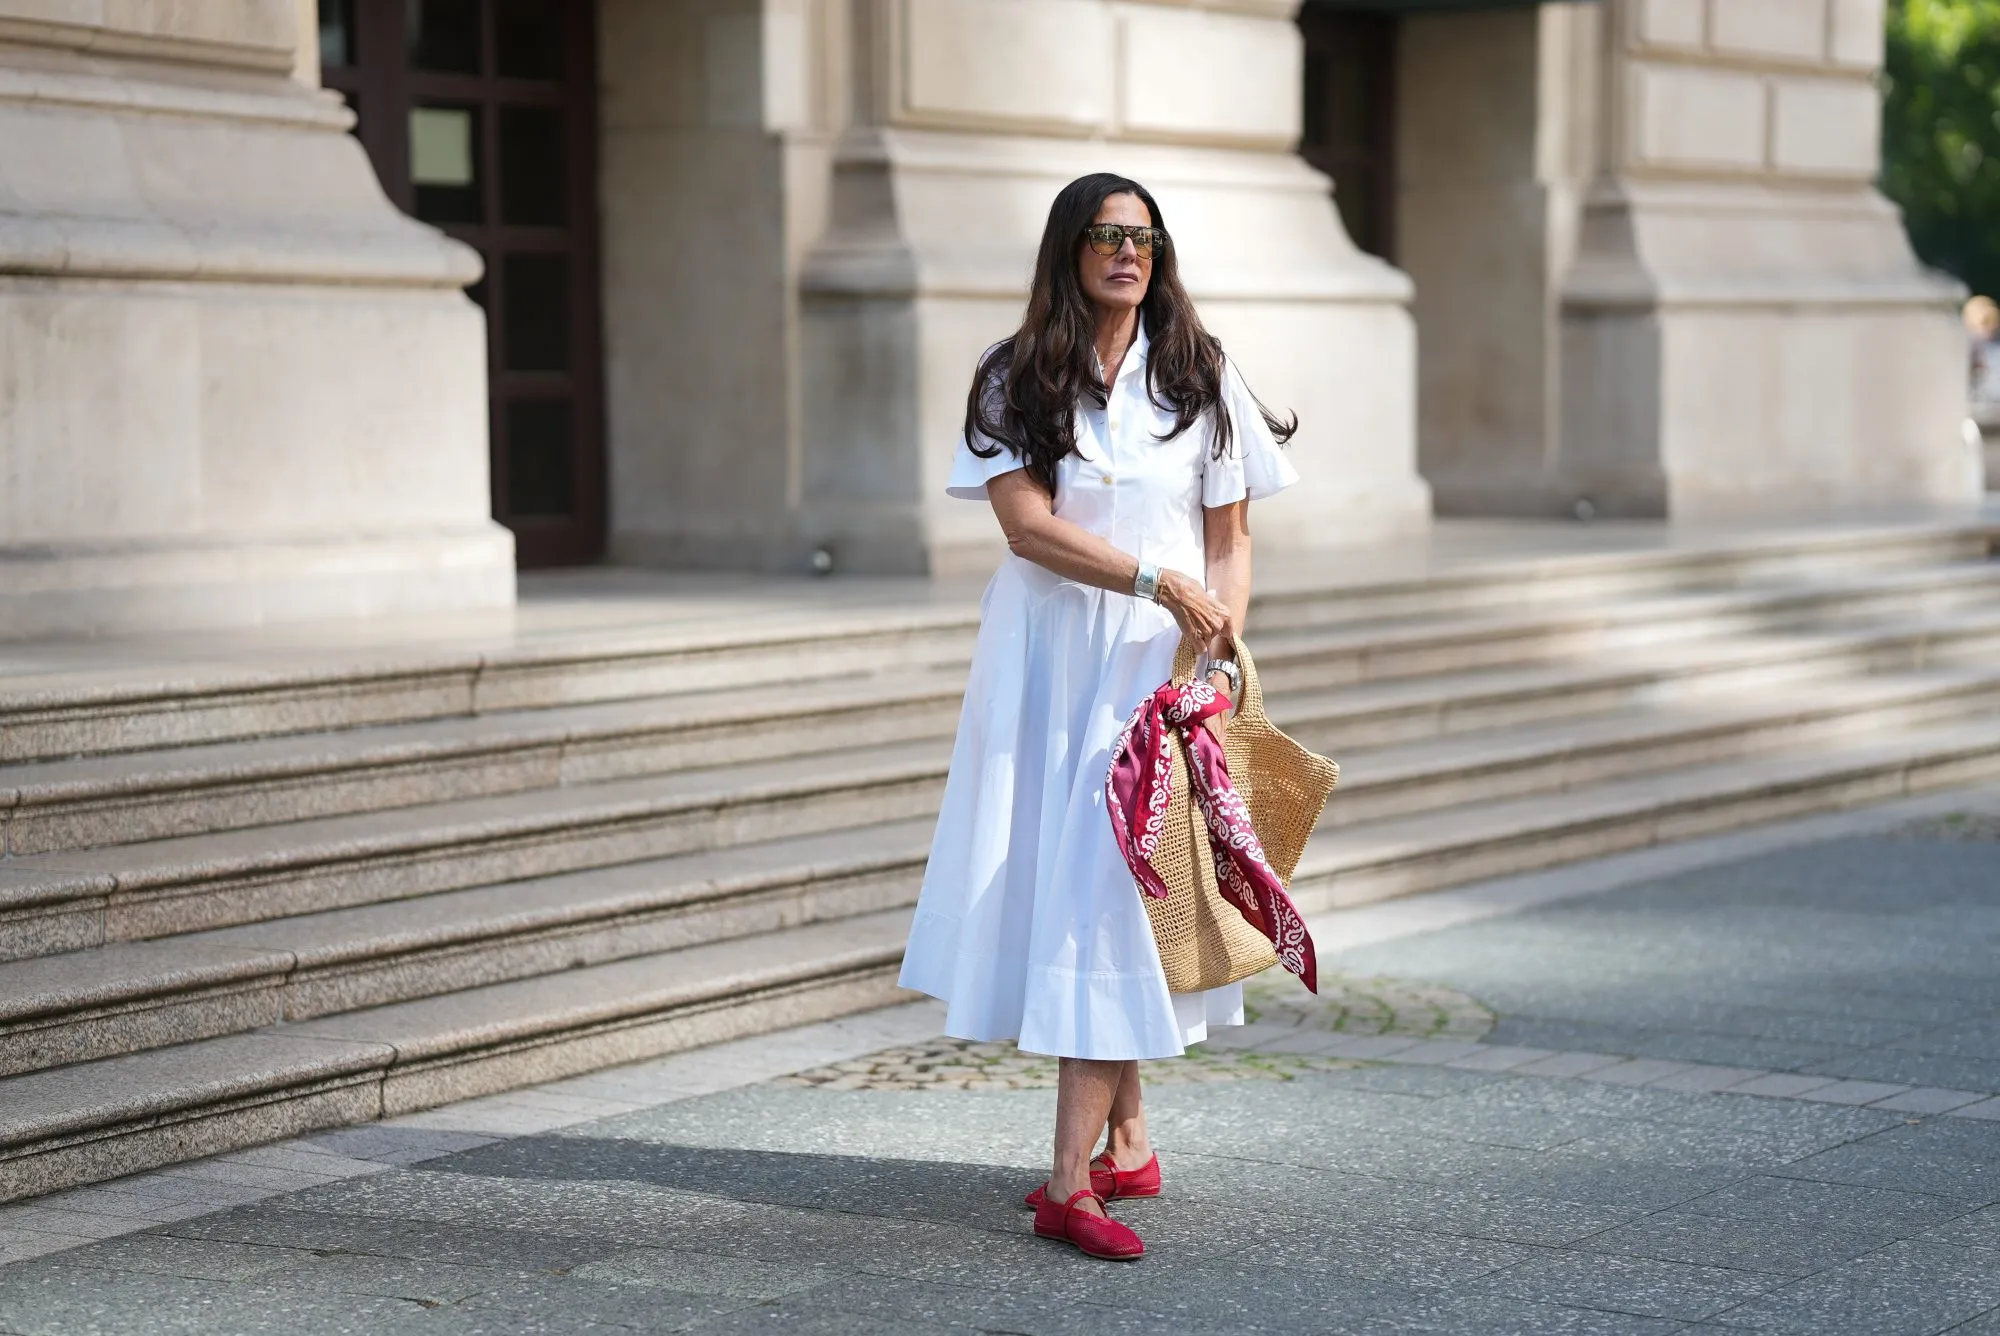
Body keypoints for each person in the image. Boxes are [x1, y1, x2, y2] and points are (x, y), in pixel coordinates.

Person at [897, 172, 1300, 1260]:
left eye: (1142, 236)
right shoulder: (1012, 373)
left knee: (1113, 887)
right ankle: (1106, 1154)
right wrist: (1153, 584)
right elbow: (1025, 527)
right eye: (1103, 234)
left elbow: (1229, 541)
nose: (1126, 251)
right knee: (1090, 884)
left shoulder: (1200, 373)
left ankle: (1086, 1169)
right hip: (1047, 661)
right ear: (1067, 251)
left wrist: (1211, 659)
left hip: (1158, 671)